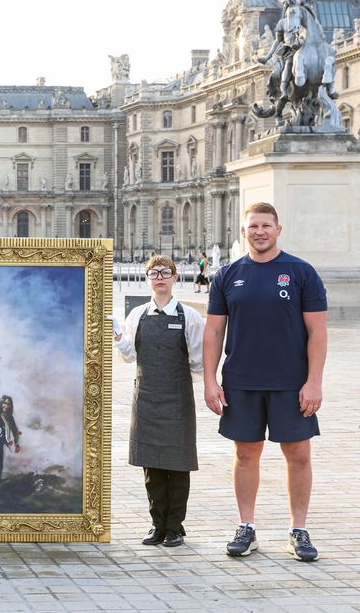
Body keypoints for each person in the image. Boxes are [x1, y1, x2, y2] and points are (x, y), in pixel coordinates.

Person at [203, 202, 327, 562]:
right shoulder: (227, 275)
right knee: (245, 453)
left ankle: (299, 529)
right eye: (253, 226)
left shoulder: (301, 272)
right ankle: (247, 527)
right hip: (241, 380)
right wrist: (210, 382)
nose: (259, 231)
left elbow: (317, 332)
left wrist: (314, 382)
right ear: (243, 232)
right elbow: (213, 332)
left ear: (278, 229)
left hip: (291, 382)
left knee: (299, 455)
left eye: (266, 225)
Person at [112, 254, 205, 547]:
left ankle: (175, 526)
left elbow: (199, 362)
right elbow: (127, 356)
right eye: (154, 273)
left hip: (177, 398)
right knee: (151, 467)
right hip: (147, 398)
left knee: (178, 465)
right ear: (147, 278)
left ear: (175, 278)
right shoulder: (137, 315)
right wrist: (116, 336)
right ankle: (157, 524)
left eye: (165, 272)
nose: (160, 277)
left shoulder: (189, 317)